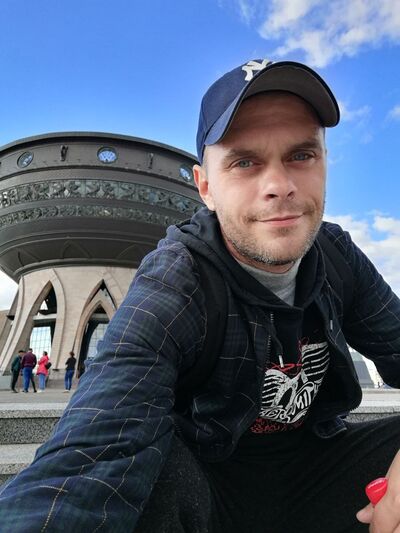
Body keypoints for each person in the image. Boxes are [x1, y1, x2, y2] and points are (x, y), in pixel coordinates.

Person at [0, 60, 399, 533]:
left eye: (301, 155)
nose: (279, 186)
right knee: (149, 469)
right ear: (205, 187)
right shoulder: (177, 278)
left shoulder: (337, 257)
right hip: (208, 494)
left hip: (319, 474)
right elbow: (93, 449)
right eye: (245, 162)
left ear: (325, 165)